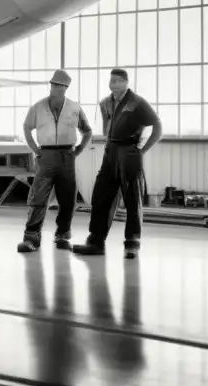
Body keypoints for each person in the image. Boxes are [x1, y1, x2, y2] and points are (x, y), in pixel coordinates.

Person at [73, 68, 162, 260]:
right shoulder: (106, 103)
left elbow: (157, 126)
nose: (112, 84)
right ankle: (96, 241)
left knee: (132, 198)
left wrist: (142, 150)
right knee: (101, 195)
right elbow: (107, 129)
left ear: (125, 82)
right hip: (110, 151)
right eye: (110, 80)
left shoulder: (137, 102)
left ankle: (132, 243)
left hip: (129, 151)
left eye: (116, 80)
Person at [18, 69, 93, 253]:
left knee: (67, 198)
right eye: (52, 84)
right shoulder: (38, 107)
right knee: (39, 197)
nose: (53, 87)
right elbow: (27, 127)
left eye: (58, 85)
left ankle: (62, 234)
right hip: (46, 156)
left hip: (67, 155)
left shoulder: (75, 108)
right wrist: (35, 150)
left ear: (65, 88)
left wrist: (79, 149)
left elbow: (87, 130)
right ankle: (31, 238)